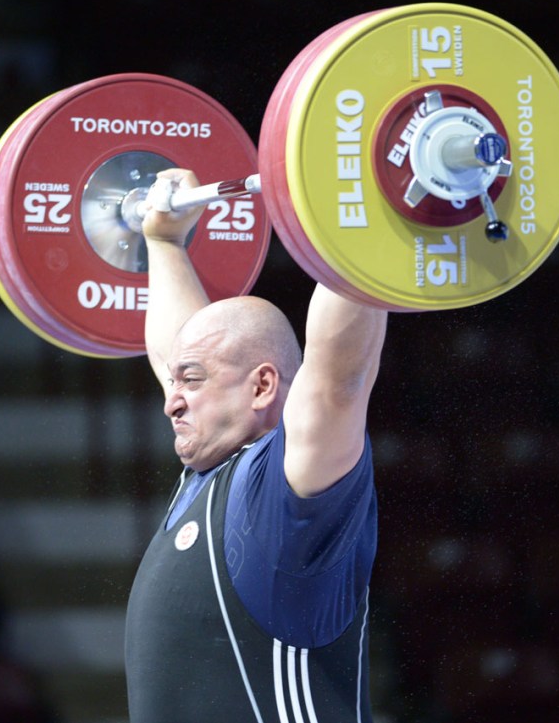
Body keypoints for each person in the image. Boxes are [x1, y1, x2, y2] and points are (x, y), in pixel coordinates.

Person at [124, 168, 388, 722]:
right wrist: (165, 242)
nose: (171, 401)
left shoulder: (283, 500)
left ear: (263, 386)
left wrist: (365, 213)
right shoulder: (208, 480)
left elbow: (338, 383)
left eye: (190, 382)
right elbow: (178, 350)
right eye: (174, 383)